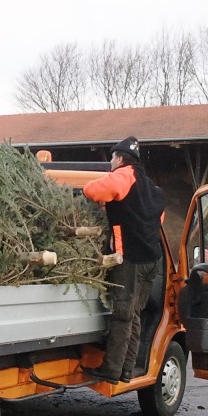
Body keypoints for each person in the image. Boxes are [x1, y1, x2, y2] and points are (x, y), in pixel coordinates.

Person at [80, 136, 166, 384]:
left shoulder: (124, 175)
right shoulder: (150, 186)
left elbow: (93, 190)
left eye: (111, 158)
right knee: (135, 313)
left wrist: (101, 198)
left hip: (130, 260)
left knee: (122, 315)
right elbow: (159, 217)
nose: (110, 162)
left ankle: (111, 370)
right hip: (152, 259)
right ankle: (128, 368)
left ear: (119, 158)